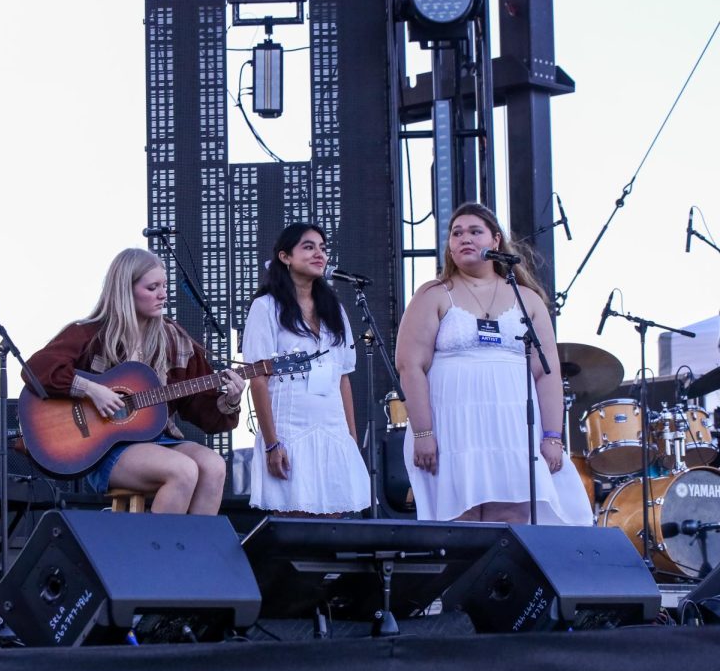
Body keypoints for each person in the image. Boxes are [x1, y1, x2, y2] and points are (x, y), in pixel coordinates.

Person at [394, 202, 592, 525]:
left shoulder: (526, 299)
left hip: (512, 426)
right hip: (454, 426)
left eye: (475, 231)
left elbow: (547, 371)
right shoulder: (434, 294)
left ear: (496, 241)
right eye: (456, 233)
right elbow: (409, 366)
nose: (464, 239)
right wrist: (423, 432)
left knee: (512, 515)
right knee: (462, 518)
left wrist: (553, 437)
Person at [25, 248, 245, 514]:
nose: (162, 294)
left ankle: (190, 553)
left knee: (214, 465)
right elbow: (36, 369)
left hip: (161, 440)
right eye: (152, 287)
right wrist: (91, 390)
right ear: (125, 290)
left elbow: (201, 411)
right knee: (182, 470)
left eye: (164, 285)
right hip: (106, 449)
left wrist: (229, 401)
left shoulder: (175, 339)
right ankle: (155, 553)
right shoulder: (91, 333)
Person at [241, 223, 370, 516]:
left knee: (335, 520)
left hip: (332, 428)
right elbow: (258, 381)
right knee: (295, 518)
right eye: (309, 247)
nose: (319, 254)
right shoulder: (266, 307)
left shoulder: (333, 308)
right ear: (285, 257)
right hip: (290, 430)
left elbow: (343, 378)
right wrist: (272, 444)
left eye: (323, 248)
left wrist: (350, 438)